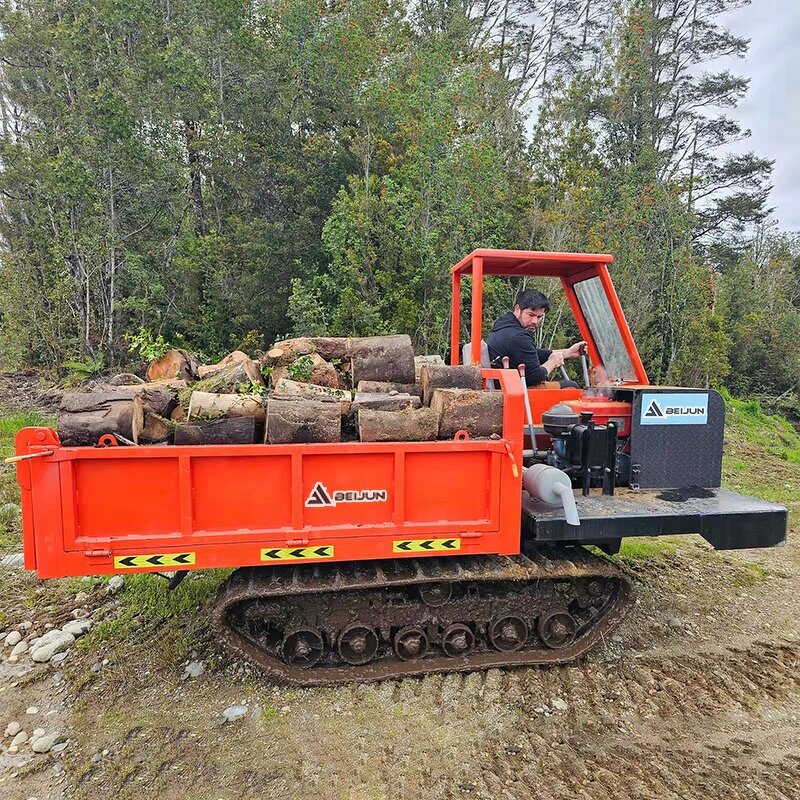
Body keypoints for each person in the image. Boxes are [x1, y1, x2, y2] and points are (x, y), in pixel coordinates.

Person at [487, 289, 585, 388]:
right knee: (571, 386)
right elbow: (535, 377)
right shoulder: (519, 336)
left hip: (501, 385)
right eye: (531, 315)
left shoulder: (503, 329)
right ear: (517, 309)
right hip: (511, 389)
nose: (535, 321)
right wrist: (552, 362)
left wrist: (568, 352)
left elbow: (531, 354)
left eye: (539, 317)